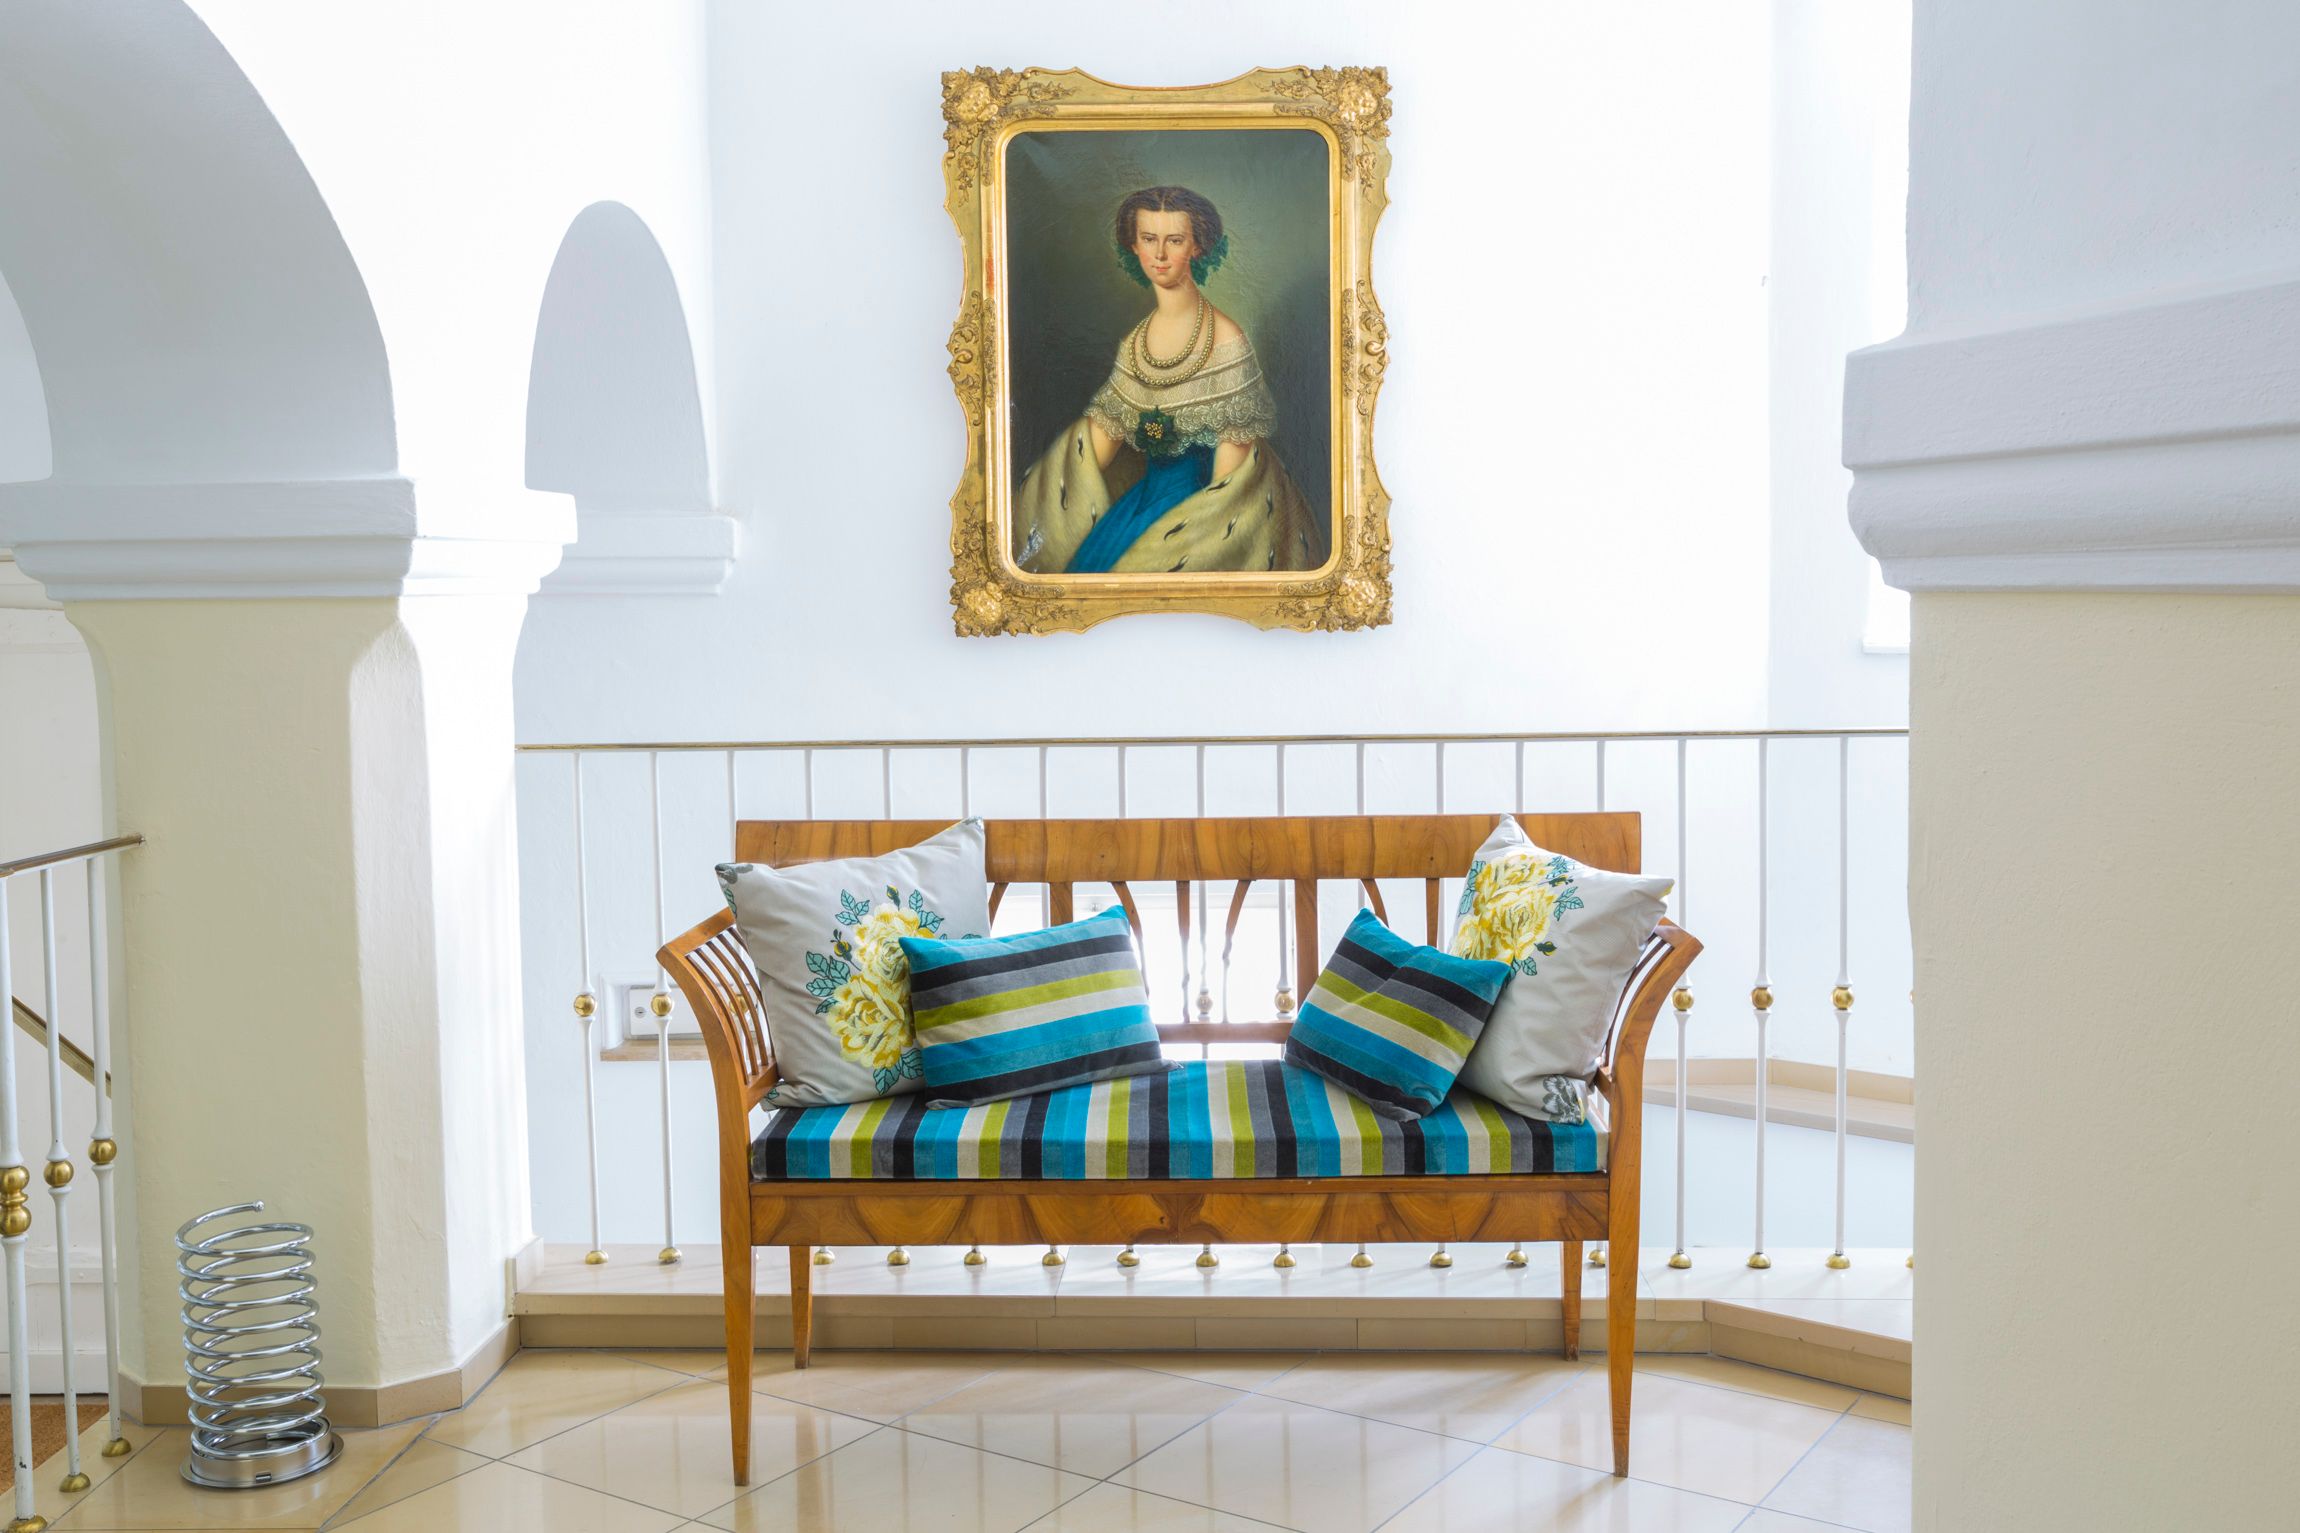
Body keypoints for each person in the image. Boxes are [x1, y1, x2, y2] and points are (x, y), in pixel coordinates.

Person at [1013, 185, 1326, 575]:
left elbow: (1231, 473)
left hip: (1204, 512)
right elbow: (1101, 442)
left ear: (1197, 247)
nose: (1159, 254)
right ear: (1133, 246)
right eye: (1149, 239)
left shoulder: (1225, 340)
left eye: (1174, 240)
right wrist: (1048, 492)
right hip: (1141, 505)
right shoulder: (1135, 343)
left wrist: (1197, 536)